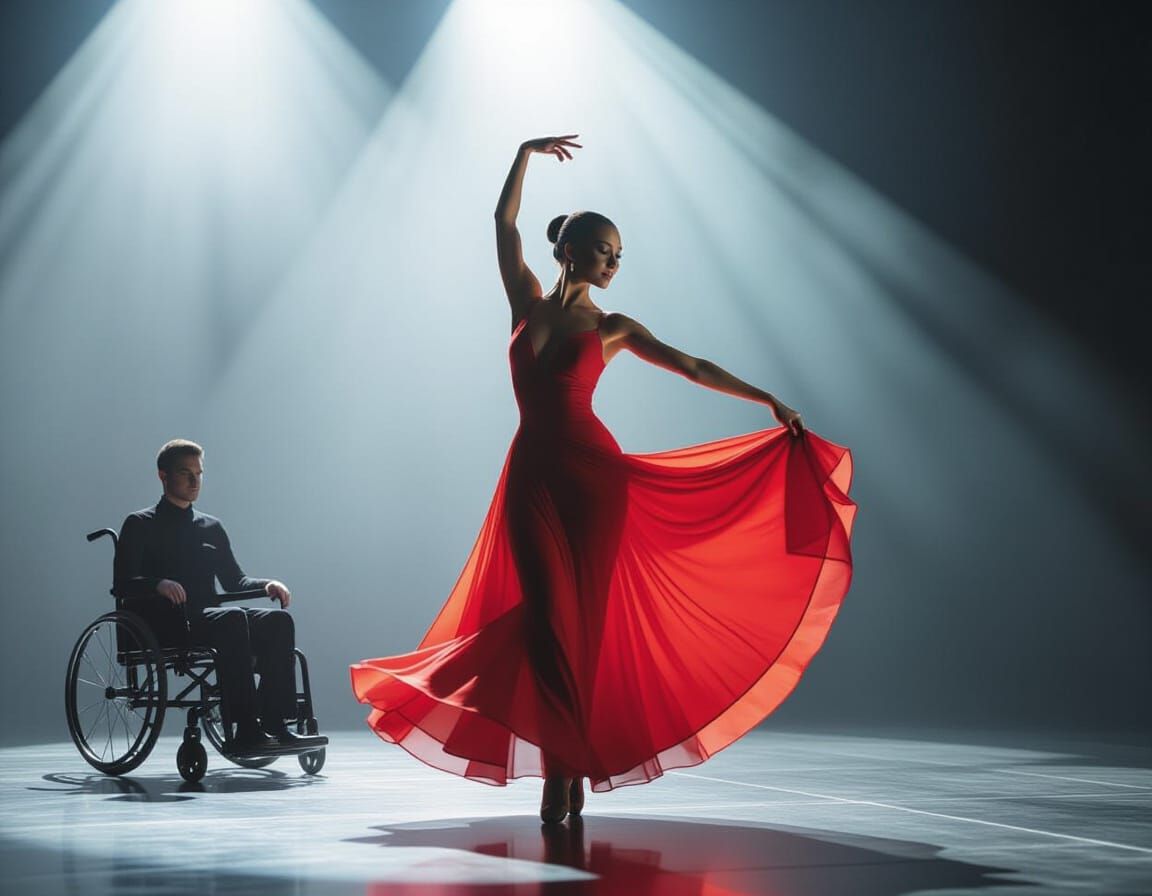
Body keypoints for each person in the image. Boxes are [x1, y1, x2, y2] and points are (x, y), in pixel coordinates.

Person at [351, 136, 856, 822]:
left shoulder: (614, 326)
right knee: (544, 622)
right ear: (569, 252)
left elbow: (693, 366)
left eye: (620, 255)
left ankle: (567, 772)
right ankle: (566, 765)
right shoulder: (525, 302)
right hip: (532, 475)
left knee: (580, 630)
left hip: (596, 483)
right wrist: (524, 152)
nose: (615, 263)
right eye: (604, 250)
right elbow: (502, 224)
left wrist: (767, 399)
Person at [114, 439, 319, 750]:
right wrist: (157, 583)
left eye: (199, 473)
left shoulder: (211, 527)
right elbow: (123, 583)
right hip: (165, 622)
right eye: (186, 473)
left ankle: (275, 722)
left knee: (277, 621)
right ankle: (245, 729)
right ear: (163, 475)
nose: (195, 481)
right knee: (233, 619)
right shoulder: (141, 523)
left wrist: (266, 585)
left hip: (210, 617)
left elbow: (234, 581)